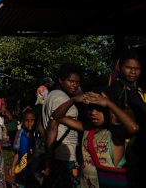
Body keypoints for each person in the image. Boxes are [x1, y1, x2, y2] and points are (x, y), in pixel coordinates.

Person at [50, 90, 139, 187]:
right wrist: (73, 100)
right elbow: (56, 117)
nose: (93, 113)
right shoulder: (86, 128)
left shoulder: (114, 133)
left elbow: (133, 128)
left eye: (99, 109)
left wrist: (108, 103)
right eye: (91, 108)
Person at [105, 49, 146, 187]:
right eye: (128, 68)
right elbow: (112, 118)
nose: (133, 72)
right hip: (128, 145)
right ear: (120, 67)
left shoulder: (136, 90)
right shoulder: (117, 88)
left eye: (136, 69)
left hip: (139, 145)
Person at [42, 63, 83, 188]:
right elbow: (52, 127)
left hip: (58, 153)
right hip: (64, 155)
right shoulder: (61, 98)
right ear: (61, 80)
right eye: (71, 81)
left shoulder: (53, 95)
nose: (75, 85)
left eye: (77, 82)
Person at [10, 109, 40, 188]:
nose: (29, 123)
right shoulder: (20, 134)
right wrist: (13, 166)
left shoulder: (38, 135)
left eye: (32, 120)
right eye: (27, 120)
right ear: (23, 121)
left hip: (35, 171)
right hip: (22, 170)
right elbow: (17, 152)